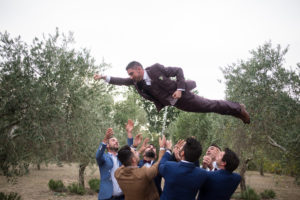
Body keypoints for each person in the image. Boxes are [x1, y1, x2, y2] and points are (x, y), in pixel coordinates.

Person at [94, 61, 250, 124]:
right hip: (176, 104)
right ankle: (235, 111)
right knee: (209, 108)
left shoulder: (155, 69)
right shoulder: (137, 82)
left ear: (139, 69)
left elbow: (178, 70)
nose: (130, 77)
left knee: (210, 105)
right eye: (129, 75)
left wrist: (180, 90)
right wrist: (103, 77)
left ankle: (238, 109)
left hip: (184, 96)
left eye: (131, 73)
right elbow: (120, 81)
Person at [95, 120, 137, 200]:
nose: (116, 142)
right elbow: (98, 155)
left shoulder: (121, 158)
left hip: (122, 197)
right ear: (107, 145)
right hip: (107, 197)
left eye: (117, 141)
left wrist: (129, 132)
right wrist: (105, 139)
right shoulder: (103, 157)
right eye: (113, 140)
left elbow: (129, 150)